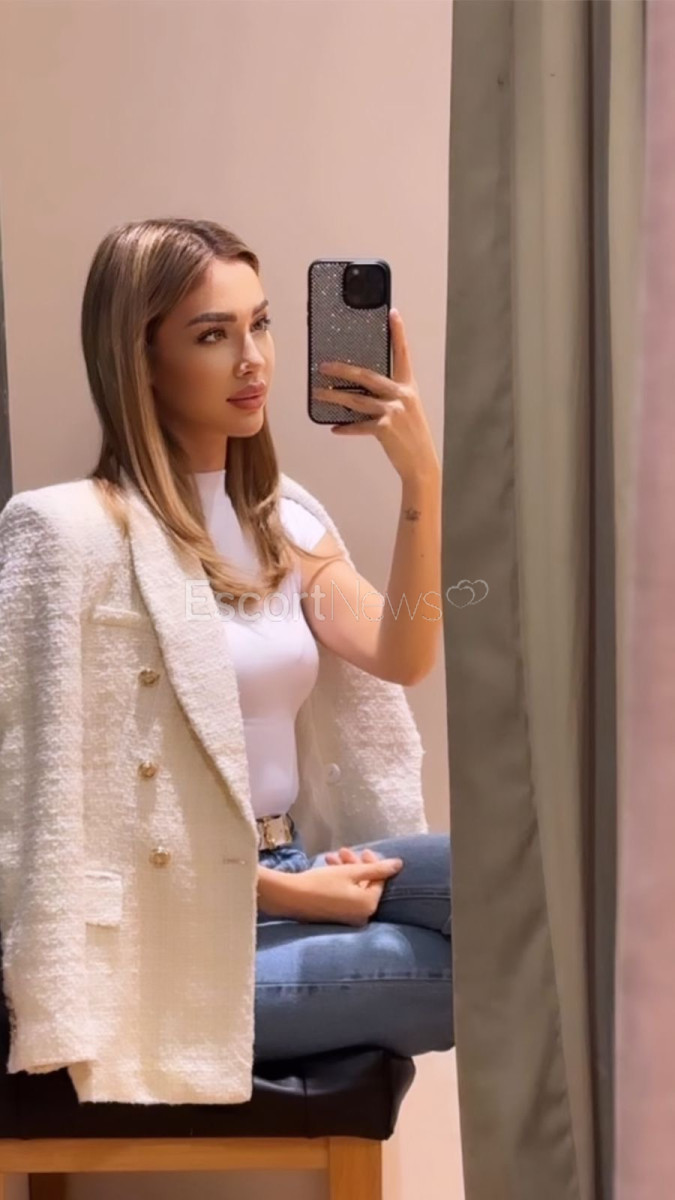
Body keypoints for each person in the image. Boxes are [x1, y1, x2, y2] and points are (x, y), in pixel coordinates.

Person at [0, 217, 452, 1105]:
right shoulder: (69, 535)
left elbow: (402, 650)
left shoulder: (281, 518)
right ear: (140, 358)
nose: (252, 361)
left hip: (298, 865)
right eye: (213, 335)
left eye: (261, 324)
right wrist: (284, 897)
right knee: (503, 974)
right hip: (172, 936)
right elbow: (52, 812)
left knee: (542, 893)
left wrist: (420, 480)